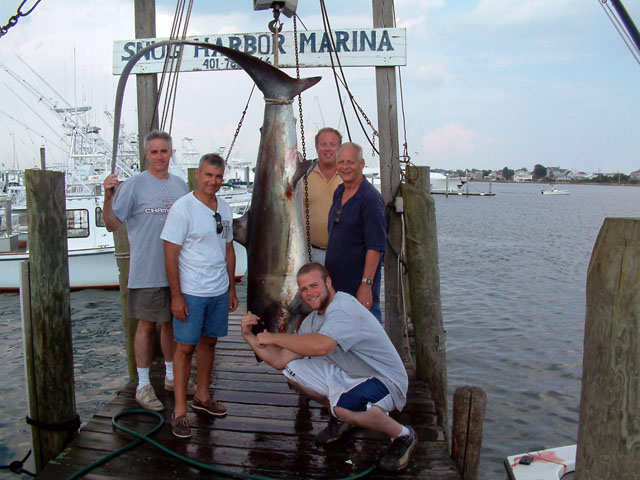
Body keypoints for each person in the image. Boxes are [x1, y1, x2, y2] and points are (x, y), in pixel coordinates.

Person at [241, 263, 417, 472]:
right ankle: (342, 417)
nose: (309, 294)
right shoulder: (313, 320)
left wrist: (273, 336)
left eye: (314, 286)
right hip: (351, 373)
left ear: (328, 282)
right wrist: (249, 336)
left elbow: (322, 346)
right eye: (304, 289)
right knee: (293, 371)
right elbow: (280, 360)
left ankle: (403, 435)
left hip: (385, 380)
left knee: (344, 407)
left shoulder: (343, 307)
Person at [103, 130, 193, 412]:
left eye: (164, 151)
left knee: (170, 323)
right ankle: (143, 385)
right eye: (154, 152)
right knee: (146, 325)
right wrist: (107, 196)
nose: (159, 157)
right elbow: (111, 224)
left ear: (171, 152)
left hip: (177, 273)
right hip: (146, 270)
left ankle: (169, 376)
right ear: (146, 155)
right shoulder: (133, 185)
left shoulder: (180, 185)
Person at [161, 153, 238, 438]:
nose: (213, 182)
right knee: (184, 349)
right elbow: (170, 253)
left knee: (209, 343)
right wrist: (176, 296)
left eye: (218, 177)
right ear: (198, 175)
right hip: (191, 291)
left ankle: (202, 397)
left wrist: (231, 288)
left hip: (218, 290)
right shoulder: (183, 208)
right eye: (208, 175)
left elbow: (228, 249)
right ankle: (180, 412)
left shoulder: (226, 208)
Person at [324, 142, 386, 323]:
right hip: (336, 287)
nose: (345, 167)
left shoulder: (371, 199)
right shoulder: (339, 192)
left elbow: (375, 247)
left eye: (350, 162)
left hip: (358, 289)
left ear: (361, 164)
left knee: (366, 340)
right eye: (341, 162)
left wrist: (366, 285)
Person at [304, 127, 343, 264]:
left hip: (343, 253)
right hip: (309, 254)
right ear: (316, 147)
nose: (328, 149)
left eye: (332, 145)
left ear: (339, 148)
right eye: (323, 144)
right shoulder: (303, 177)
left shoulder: (349, 177)